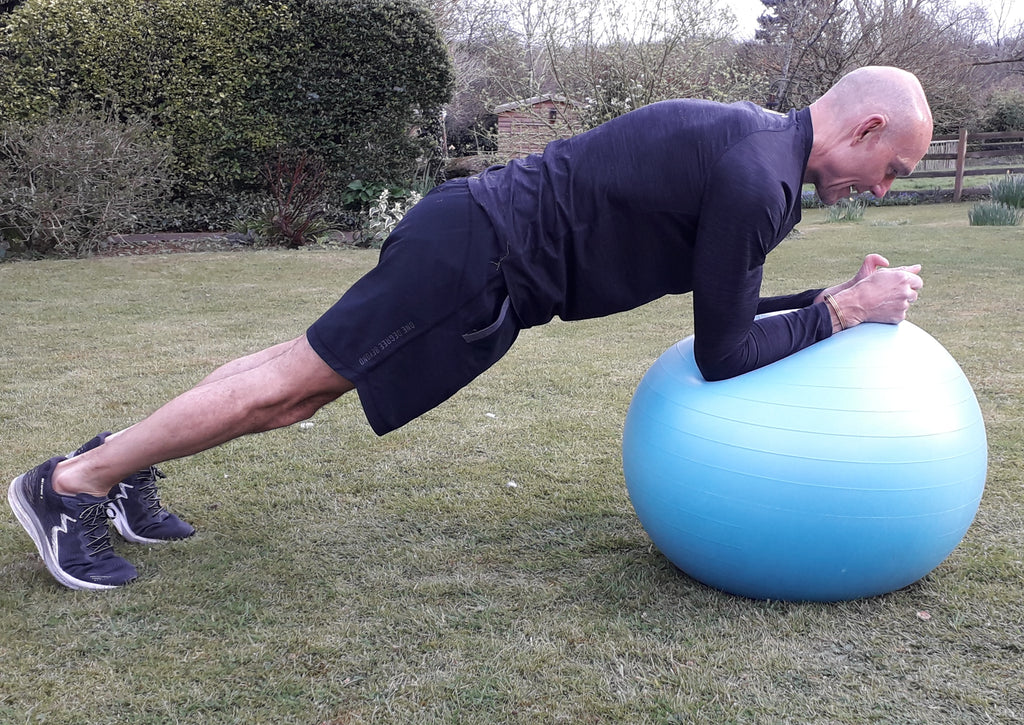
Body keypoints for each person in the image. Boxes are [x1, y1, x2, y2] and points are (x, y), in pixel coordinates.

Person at [8, 65, 932, 590]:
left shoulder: (753, 149)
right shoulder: (755, 176)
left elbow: (722, 308)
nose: (883, 190)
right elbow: (723, 354)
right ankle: (70, 483)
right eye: (892, 169)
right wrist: (842, 312)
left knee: (295, 370)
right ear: (867, 127)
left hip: (473, 243)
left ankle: (118, 463)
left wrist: (828, 302)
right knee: (293, 391)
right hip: (478, 259)